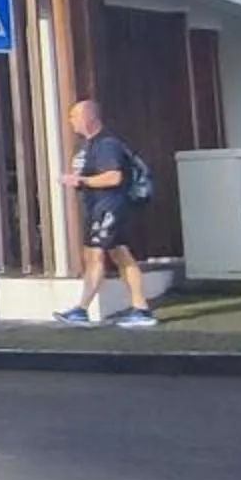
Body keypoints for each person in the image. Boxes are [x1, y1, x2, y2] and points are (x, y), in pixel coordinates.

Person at [56, 99, 156, 327]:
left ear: (89, 118)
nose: (71, 122)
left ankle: (82, 309)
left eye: (74, 116)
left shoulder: (106, 144)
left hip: (108, 208)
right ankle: (140, 309)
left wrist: (81, 180)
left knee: (95, 256)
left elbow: (114, 177)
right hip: (103, 208)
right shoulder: (90, 145)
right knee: (120, 256)